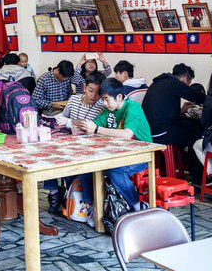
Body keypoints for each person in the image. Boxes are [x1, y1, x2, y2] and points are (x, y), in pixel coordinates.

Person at [75, 77, 153, 211]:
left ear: (119, 96)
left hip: (141, 155)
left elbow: (127, 134)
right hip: (120, 154)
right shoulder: (109, 110)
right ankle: (91, 205)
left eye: (107, 99)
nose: (104, 103)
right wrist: (83, 125)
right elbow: (94, 124)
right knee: (86, 165)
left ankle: (136, 204)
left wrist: (96, 129)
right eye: (103, 100)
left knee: (114, 170)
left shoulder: (133, 107)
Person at [45, 71, 106, 216]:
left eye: (98, 93)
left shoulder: (101, 106)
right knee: (47, 155)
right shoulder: (73, 100)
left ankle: (73, 197)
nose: (94, 96)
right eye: (91, 91)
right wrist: (55, 120)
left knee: (72, 163)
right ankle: (54, 193)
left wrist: (71, 123)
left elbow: (89, 127)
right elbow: (62, 117)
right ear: (84, 87)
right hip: (68, 143)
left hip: (87, 147)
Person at [142, 63, 206, 147]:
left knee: (189, 124)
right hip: (162, 134)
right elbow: (194, 95)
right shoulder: (173, 83)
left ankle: (180, 158)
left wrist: (181, 110)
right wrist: (211, 99)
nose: (188, 86)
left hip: (149, 132)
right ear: (184, 78)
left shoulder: (158, 83)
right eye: (189, 82)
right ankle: (192, 160)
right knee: (195, 130)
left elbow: (163, 111)